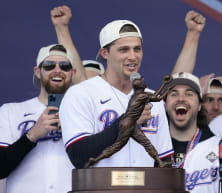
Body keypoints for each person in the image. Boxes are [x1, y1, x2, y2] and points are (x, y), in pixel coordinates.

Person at [59, 18, 173, 168]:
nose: (133, 56)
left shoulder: (152, 100)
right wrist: (127, 121)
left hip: (146, 191)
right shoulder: (80, 94)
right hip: (101, 190)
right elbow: (79, 156)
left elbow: (165, 160)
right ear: (105, 53)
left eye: (137, 49)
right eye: (123, 49)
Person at [0, 44, 76, 193]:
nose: (57, 70)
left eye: (65, 66)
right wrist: (32, 135)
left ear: (73, 73)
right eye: (49, 66)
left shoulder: (84, 113)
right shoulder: (11, 111)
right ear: (37, 72)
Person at [164, 72, 222, 193]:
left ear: (200, 105)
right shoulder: (153, 148)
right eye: (174, 94)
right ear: (165, 105)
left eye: (189, 94)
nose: (181, 98)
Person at [171, 11, 222, 123]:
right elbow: (176, 85)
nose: (215, 107)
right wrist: (193, 34)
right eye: (209, 100)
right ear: (199, 104)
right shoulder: (184, 128)